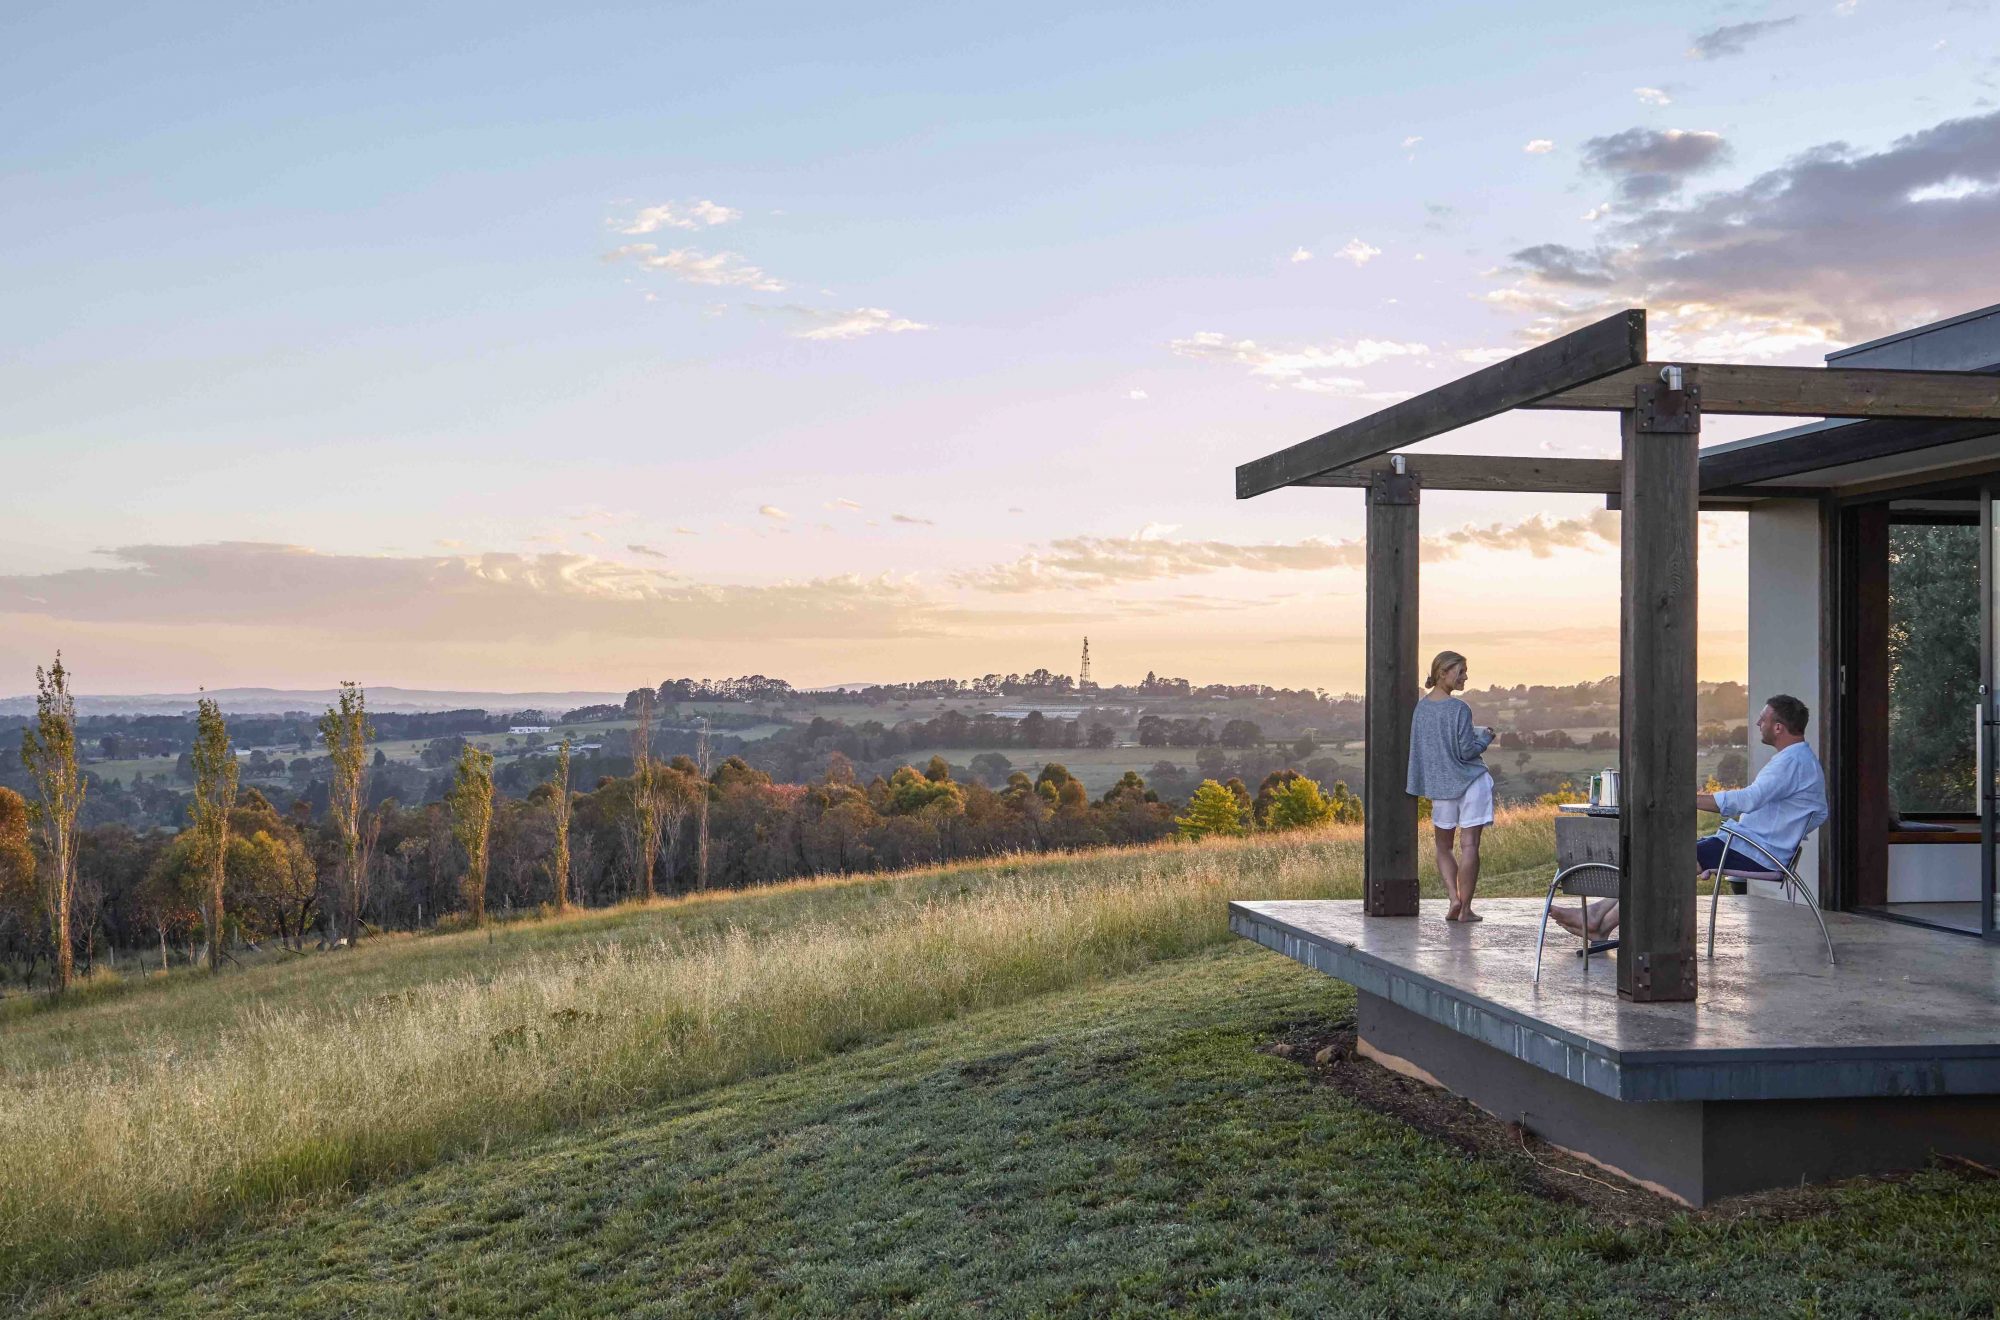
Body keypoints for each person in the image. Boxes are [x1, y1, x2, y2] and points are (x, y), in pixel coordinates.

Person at [1550, 694, 1828, 940]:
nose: (1758, 723)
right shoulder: (1801, 760)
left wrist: (1685, 798)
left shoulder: (1791, 762)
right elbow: (1818, 813)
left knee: (1663, 862)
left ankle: (1599, 922)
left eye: (1763, 719)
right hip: (1749, 845)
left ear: (1778, 727)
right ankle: (1598, 917)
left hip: (1752, 850)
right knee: (1662, 858)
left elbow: (1748, 799)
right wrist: (1785, 834)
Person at [1407, 650, 1496, 923]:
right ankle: (1465, 910)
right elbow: (1467, 751)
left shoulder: (1421, 709)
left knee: (1443, 847)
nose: (1465, 677)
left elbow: (1424, 750)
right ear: (1443, 673)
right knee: (1470, 846)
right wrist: (1485, 739)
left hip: (1442, 787)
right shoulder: (1460, 708)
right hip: (1472, 783)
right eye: (1461, 671)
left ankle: (1453, 899)